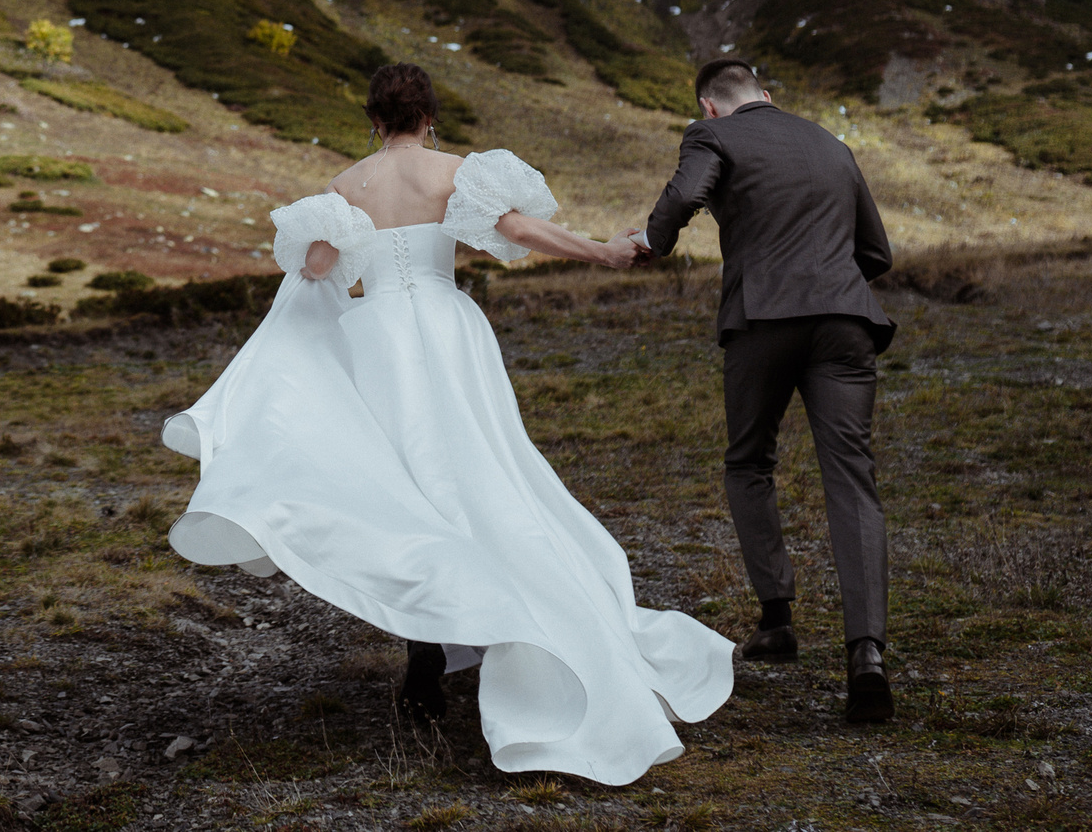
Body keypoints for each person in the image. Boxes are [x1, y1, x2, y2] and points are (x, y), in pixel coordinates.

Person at [161, 64, 734, 787]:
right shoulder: (456, 171)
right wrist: (604, 250)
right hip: (446, 327)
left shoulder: (346, 185)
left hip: (379, 343)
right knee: (478, 478)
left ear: (373, 120)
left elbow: (316, 264)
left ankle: (425, 649)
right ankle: (504, 621)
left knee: (408, 489)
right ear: (428, 117)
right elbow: (518, 229)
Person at [636, 57, 897, 724]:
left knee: (749, 460)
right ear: (768, 96)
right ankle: (866, 653)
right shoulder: (832, 144)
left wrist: (655, 238)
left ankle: (777, 616)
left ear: (710, 106)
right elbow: (877, 253)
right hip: (845, 319)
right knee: (852, 478)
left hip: (762, 322)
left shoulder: (711, 136)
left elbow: (687, 196)